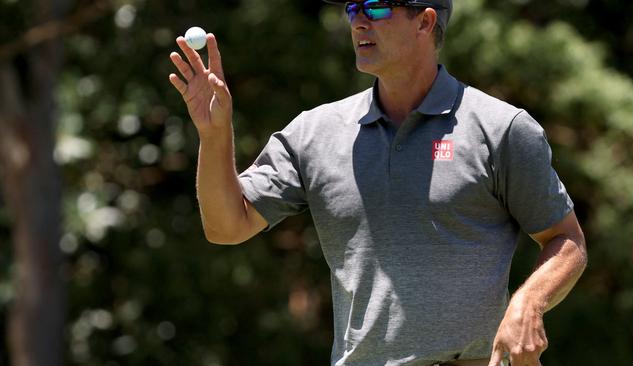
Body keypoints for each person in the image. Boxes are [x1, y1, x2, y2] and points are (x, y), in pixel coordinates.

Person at [168, 0, 588, 365]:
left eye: (377, 6)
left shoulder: (502, 129)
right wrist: (214, 133)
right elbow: (226, 227)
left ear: (425, 22)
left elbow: (567, 241)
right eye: (353, 8)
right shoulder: (315, 133)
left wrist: (529, 301)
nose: (358, 21)